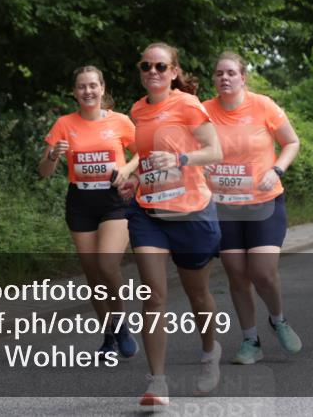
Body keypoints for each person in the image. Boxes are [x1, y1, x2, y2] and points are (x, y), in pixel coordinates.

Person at [117, 42, 224, 410]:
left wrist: (181, 158)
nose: (153, 71)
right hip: (149, 212)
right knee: (153, 294)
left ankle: (209, 351)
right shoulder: (137, 110)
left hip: (190, 211)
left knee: (198, 295)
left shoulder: (188, 105)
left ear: (174, 72)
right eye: (146, 65)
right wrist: (136, 179)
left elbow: (215, 151)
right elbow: (146, 158)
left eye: (161, 66)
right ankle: (157, 381)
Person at [204, 52, 303, 365]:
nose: (225, 78)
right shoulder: (204, 112)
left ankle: (278, 319)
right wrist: (199, 166)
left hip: (264, 202)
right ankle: (250, 340)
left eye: (231, 73)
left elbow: (292, 142)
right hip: (224, 206)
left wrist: (277, 169)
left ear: (243, 77)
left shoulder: (263, 106)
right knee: (236, 274)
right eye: (219, 73)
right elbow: (192, 150)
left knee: (262, 271)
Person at [39, 65, 140, 359]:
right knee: (94, 275)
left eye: (93, 85)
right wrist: (52, 156)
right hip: (81, 203)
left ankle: (121, 325)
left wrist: (127, 169)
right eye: (82, 87)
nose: (88, 91)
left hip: (114, 201)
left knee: (107, 265)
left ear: (102, 88)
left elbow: (142, 153)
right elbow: (43, 172)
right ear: (74, 92)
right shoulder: (64, 124)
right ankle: (108, 337)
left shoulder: (120, 122)